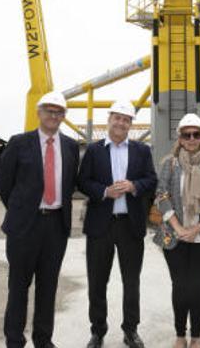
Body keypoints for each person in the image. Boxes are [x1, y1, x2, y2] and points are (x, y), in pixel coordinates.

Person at [0, 91, 80, 348]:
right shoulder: (19, 143)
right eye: (49, 110)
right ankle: (14, 340)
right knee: (19, 286)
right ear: (39, 112)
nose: (53, 116)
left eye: (58, 112)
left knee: (48, 287)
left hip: (56, 226)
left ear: (64, 117)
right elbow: (4, 186)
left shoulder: (70, 147)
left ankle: (44, 340)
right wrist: (22, 212)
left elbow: (69, 185)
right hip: (25, 226)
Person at [78, 100, 157, 348]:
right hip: (100, 225)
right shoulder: (94, 150)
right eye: (117, 118)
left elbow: (151, 180)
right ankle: (98, 331)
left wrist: (134, 186)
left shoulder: (141, 151)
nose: (121, 122)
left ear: (130, 124)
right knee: (97, 281)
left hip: (130, 225)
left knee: (131, 281)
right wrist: (103, 191)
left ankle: (130, 330)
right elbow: (82, 182)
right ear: (109, 120)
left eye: (126, 119)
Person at [152, 113, 200, 348]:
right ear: (179, 138)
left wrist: (198, 227)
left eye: (196, 134)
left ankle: (197, 337)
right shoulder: (169, 163)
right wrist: (179, 227)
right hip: (175, 234)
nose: (191, 138)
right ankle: (180, 335)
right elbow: (161, 195)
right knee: (180, 286)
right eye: (186, 134)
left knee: (196, 286)